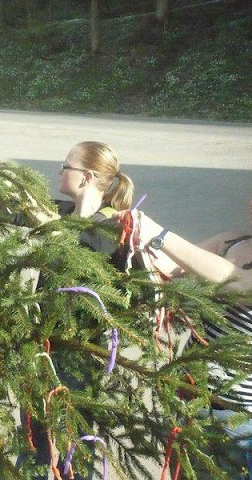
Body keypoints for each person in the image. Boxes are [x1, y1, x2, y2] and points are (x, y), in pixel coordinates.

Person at [20, 141, 136, 479]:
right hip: (43, 342)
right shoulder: (63, 212)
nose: (59, 172)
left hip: (78, 352)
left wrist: (48, 221)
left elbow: (87, 244)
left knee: (73, 436)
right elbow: (21, 213)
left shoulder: (109, 226)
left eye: (66, 167)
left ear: (85, 177)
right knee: (36, 430)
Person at [123, 205, 252, 479]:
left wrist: (158, 234)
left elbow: (237, 282)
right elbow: (173, 266)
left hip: (238, 418)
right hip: (190, 400)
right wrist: (132, 235)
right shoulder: (232, 241)